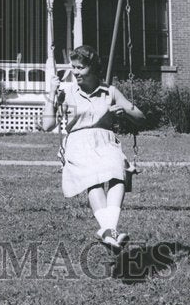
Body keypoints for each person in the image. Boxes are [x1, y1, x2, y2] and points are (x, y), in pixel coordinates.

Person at [39, 44, 144, 250]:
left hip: (105, 141)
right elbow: (47, 125)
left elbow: (141, 117)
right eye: (73, 67)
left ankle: (107, 231)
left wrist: (124, 111)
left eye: (80, 68)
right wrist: (52, 93)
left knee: (117, 173)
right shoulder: (66, 92)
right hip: (78, 142)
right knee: (93, 180)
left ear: (93, 68)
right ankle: (110, 231)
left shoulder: (109, 92)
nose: (75, 72)